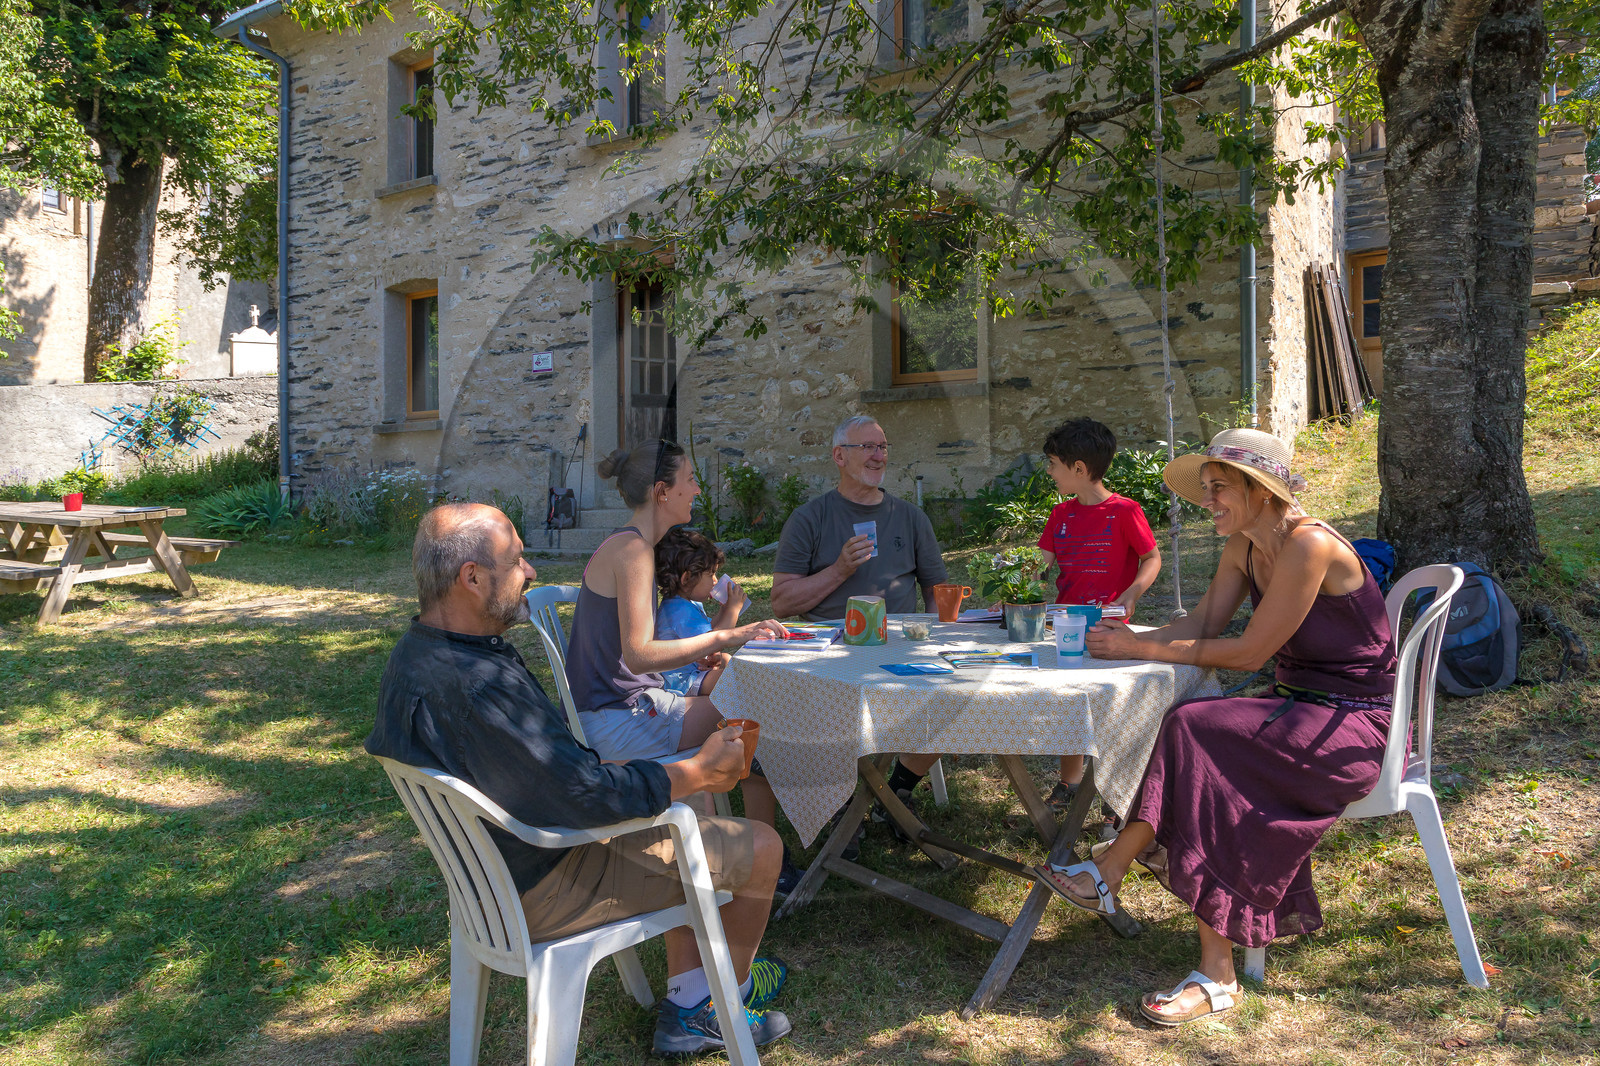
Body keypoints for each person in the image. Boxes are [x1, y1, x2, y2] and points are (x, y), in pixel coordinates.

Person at [366, 503, 793, 1055]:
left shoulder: (416, 655)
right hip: (549, 879)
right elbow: (585, 797)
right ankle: (707, 1010)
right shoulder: (478, 687)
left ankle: (692, 994)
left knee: (690, 824)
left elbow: (557, 780)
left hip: (495, 873)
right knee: (759, 846)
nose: (531, 573)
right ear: (471, 578)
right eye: (517, 561)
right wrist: (698, 772)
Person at [1031, 428, 1397, 1028]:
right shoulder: (1246, 546)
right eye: (1205, 489)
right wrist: (1127, 642)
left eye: (1220, 487)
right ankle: (1138, 896)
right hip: (1300, 710)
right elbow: (1203, 620)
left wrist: (1139, 653)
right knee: (1193, 729)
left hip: (1352, 727)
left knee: (1198, 731)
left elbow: (1251, 652)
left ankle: (1154, 913)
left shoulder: (1310, 545)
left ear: (1259, 487)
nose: (1209, 501)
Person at [567, 440, 805, 893]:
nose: (697, 489)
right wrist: (728, 634)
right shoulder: (633, 551)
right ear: (662, 491)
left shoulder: (630, 546)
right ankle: (755, 860)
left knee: (751, 707)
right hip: (618, 720)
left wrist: (704, 650)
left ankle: (736, 848)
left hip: (629, 708)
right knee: (758, 713)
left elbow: (637, 652)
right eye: (690, 480)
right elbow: (639, 654)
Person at [771, 414, 950, 803]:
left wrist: (934, 639)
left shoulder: (910, 518)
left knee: (955, 697)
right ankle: (841, 800)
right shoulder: (809, 519)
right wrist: (838, 570)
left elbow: (938, 592)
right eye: (866, 447)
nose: (877, 456)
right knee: (822, 712)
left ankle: (897, 790)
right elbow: (782, 602)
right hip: (832, 653)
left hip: (900, 648)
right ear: (839, 455)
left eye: (882, 447)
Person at [1035, 417, 1161, 811]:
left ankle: (1115, 796)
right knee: (1071, 701)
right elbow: (1038, 566)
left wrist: (1133, 593)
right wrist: (1014, 587)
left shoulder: (1125, 510)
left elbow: (1151, 557)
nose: (1050, 472)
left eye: (1053, 464)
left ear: (1078, 469)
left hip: (1109, 625)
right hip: (1064, 625)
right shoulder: (1061, 516)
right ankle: (1069, 784)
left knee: (1110, 708)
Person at [656, 527, 746, 698]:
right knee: (735, 680)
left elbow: (709, 630)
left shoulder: (685, 603)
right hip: (682, 682)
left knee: (727, 659)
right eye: (711, 574)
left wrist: (724, 610)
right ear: (687, 578)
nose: (715, 581)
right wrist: (733, 611)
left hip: (694, 670)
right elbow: (715, 642)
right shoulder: (679, 612)